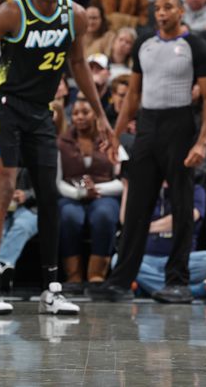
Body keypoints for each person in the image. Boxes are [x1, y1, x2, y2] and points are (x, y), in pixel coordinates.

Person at [0, 0, 113, 316]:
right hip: (5, 106)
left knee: (49, 197)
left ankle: (52, 288)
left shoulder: (74, 15)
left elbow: (78, 64)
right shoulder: (12, 12)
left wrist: (100, 113)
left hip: (41, 112)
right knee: (3, 189)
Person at [90, 0, 206, 303]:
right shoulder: (144, 43)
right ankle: (121, 282)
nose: (161, 13)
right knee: (136, 204)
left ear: (181, 11)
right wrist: (116, 135)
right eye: (157, 8)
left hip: (180, 126)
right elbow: (132, 95)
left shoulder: (195, 45)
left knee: (181, 202)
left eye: (168, 7)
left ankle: (178, 281)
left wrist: (202, 140)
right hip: (148, 126)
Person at [57, 95, 123, 290]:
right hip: (71, 195)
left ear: (95, 115)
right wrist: (80, 193)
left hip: (104, 194)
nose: (79, 117)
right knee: (69, 216)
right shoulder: (61, 143)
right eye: (75, 113)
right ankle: (73, 275)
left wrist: (96, 190)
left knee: (104, 215)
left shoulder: (110, 140)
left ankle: (96, 275)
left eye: (85, 112)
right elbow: (57, 182)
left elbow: (123, 181)